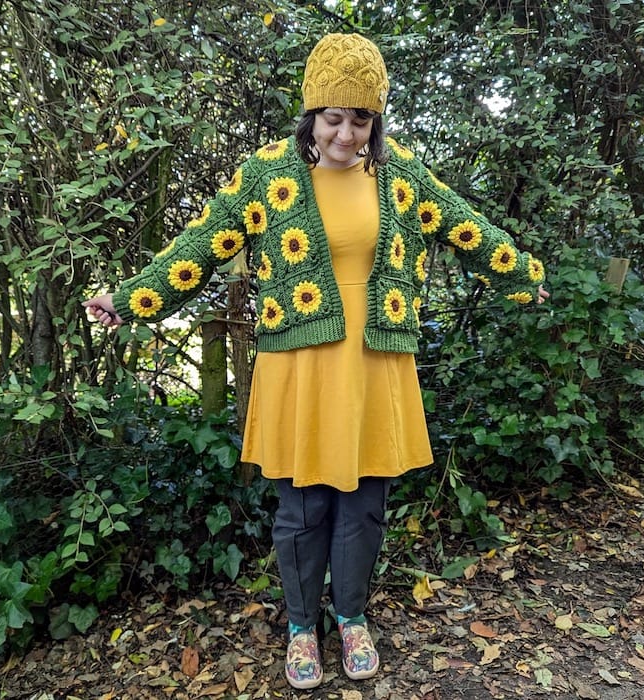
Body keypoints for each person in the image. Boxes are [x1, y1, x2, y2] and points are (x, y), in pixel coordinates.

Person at [83, 33, 549, 690]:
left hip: (376, 363)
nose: (346, 133)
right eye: (334, 116)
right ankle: (303, 626)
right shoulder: (269, 176)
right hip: (298, 368)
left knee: (363, 507)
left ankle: (351, 616)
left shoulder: (400, 175)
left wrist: (523, 274)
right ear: (311, 115)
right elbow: (201, 245)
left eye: (361, 118)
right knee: (301, 510)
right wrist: (131, 300)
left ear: (375, 121)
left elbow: (465, 226)